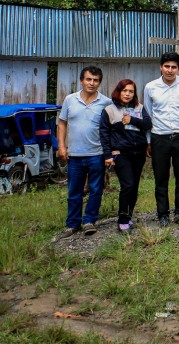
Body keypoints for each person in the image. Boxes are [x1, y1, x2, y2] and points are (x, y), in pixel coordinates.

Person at [56, 66, 112, 239]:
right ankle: (73, 224)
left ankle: (89, 221)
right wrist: (61, 146)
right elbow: (62, 123)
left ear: (99, 83)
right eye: (88, 79)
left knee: (96, 189)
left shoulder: (106, 102)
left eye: (95, 80)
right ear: (82, 80)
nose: (92, 83)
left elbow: (113, 128)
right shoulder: (70, 100)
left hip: (97, 153)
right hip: (75, 155)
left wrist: (110, 153)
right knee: (74, 190)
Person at [144, 52, 179, 227]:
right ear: (161, 67)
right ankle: (162, 214)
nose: (170, 70)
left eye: (173, 67)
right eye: (167, 66)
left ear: (178, 68)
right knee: (161, 179)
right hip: (159, 138)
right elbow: (148, 115)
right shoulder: (151, 87)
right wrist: (148, 141)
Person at [100, 79, 152, 233]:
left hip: (138, 153)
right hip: (121, 154)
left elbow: (148, 125)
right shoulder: (109, 110)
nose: (128, 94)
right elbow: (104, 133)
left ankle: (128, 217)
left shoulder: (139, 108)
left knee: (134, 187)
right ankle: (122, 220)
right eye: (125, 91)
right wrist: (107, 154)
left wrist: (133, 120)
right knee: (127, 185)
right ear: (119, 91)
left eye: (131, 91)